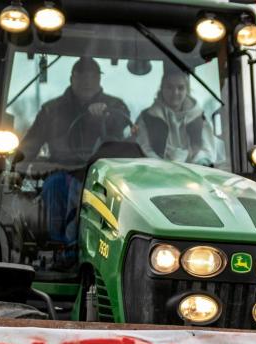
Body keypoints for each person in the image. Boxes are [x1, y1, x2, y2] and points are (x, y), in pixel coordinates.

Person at [19, 57, 129, 258]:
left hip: (104, 176)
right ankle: (59, 249)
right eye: (81, 76)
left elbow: (124, 131)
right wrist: (13, 169)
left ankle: (110, 252)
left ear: (99, 79)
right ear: (72, 78)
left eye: (92, 76)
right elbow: (28, 148)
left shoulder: (115, 107)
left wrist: (106, 117)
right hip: (63, 171)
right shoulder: (51, 110)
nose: (87, 81)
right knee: (55, 185)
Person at [135, 66, 217, 165]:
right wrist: (163, 167)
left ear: (187, 90)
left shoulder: (199, 117)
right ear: (162, 89)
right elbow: (143, 148)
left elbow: (207, 149)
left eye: (180, 88)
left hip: (194, 174)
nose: (175, 92)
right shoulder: (147, 117)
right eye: (169, 87)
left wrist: (198, 163)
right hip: (157, 173)